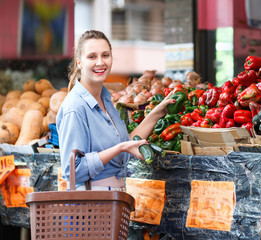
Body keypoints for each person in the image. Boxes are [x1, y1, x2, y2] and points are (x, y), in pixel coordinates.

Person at [56, 30, 175, 191]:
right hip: (90, 207)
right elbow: (73, 171)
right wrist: (121, 148)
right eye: (92, 57)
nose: (100, 62)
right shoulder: (75, 107)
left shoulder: (106, 100)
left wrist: (157, 113)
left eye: (105, 55)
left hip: (113, 201)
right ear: (79, 62)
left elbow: (127, 143)